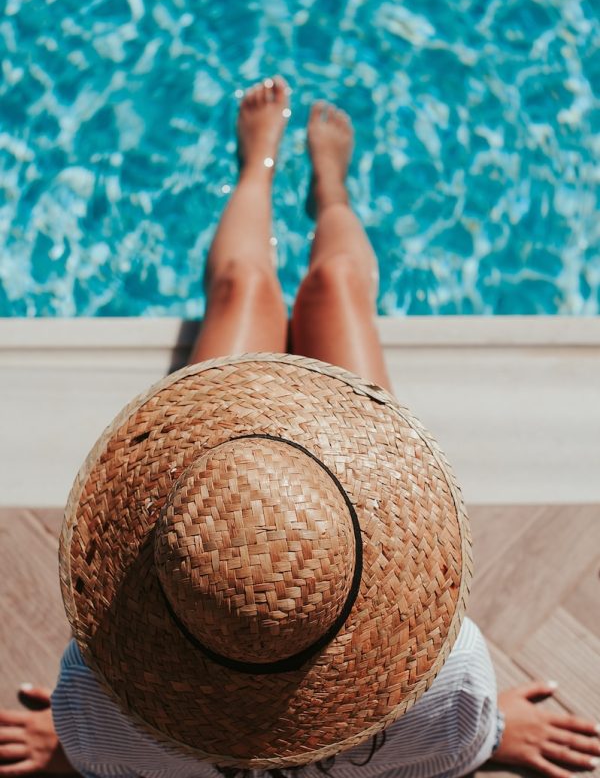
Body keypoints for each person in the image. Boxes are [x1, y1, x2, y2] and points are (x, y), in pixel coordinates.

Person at [1, 76, 599, 778]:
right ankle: (331, 191)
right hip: (329, 502)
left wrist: (72, 745)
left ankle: (258, 163)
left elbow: (99, 746)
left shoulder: (98, 700)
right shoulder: (451, 685)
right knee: (338, 284)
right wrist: (489, 732)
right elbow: (454, 746)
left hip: (234, 490)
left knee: (243, 290)